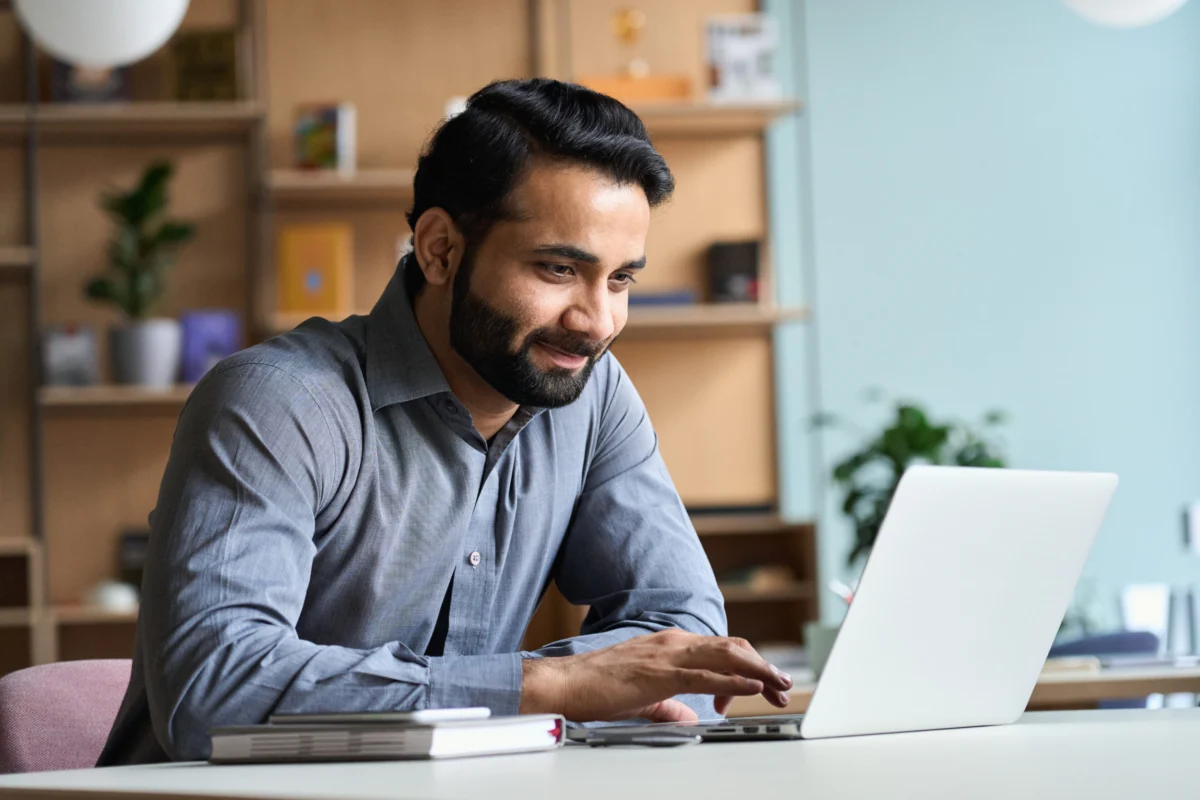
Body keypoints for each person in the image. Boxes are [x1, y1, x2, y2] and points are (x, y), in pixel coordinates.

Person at [98, 78, 792, 765]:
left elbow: (685, 630)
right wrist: (548, 686)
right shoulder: (277, 402)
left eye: (620, 280)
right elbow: (214, 691)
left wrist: (588, 688)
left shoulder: (593, 394)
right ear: (439, 249)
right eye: (557, 269)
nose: (597, 322)